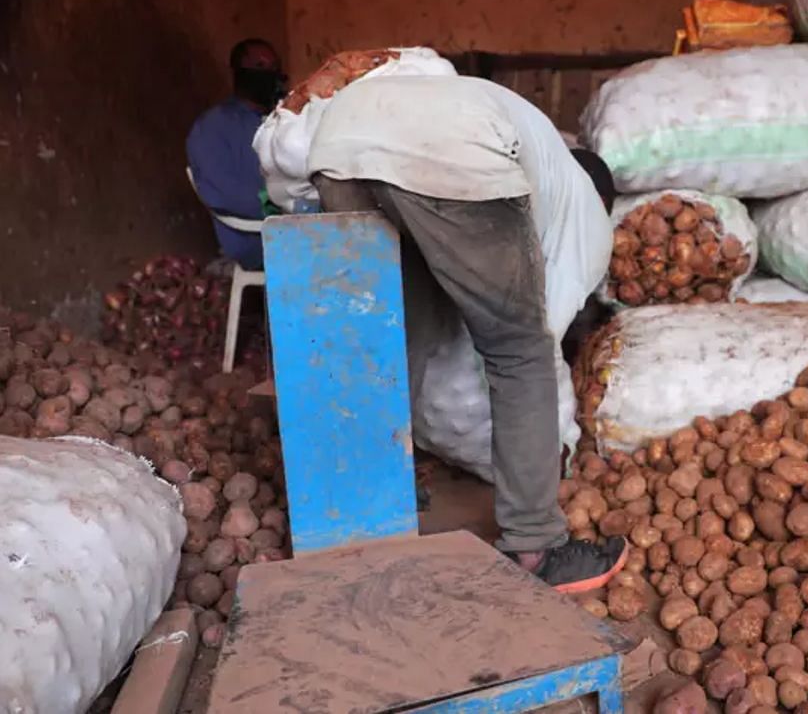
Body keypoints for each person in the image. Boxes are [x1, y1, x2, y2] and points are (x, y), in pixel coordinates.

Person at [307, 74, 624, 593]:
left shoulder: (544, 156)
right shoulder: (590, 218)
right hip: (446, 152)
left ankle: (369, 507)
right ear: (603, 199)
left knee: (395, 338)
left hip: (340, 140)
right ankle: (536, 547)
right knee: (519, 354)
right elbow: (539, 337)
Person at [186, 38, 288, 270]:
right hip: (254, 237)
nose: (269, 73)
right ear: (239, 72)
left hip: (294, 228)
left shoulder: (283, 121)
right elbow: (224, 194)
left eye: (274, 67)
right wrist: (284, 208)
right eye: (260, 67)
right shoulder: (212, 127)